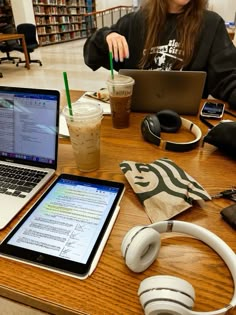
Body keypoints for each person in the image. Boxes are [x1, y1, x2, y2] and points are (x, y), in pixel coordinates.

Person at [83, 0, 236, 109]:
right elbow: (91, 55)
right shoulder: (134, 22)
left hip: (188, 125)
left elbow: (228, 78)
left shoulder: (211, 24)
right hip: (135, 122)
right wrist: (106, 36)